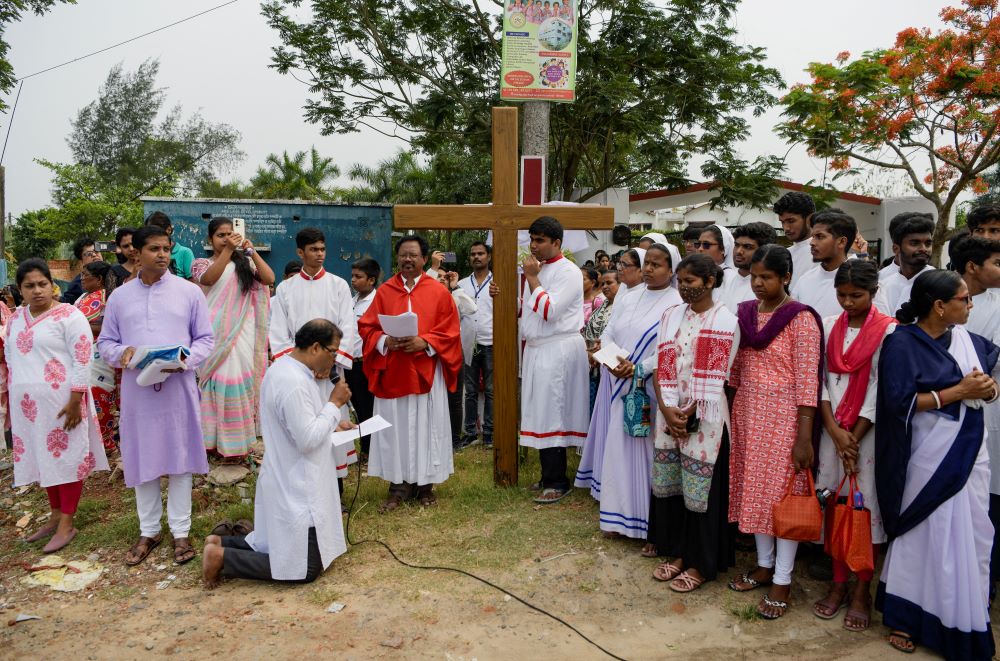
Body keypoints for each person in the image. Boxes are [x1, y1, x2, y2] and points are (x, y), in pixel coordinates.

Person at [875, 270, 998, 659]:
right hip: (924, 457)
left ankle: (960, 615)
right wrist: (958, 392)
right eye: (964, 299)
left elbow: (987, 386)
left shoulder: (969, 340)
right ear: (940, 306)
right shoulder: (901, 343)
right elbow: (898, 403)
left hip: (968, 453)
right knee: (923, 532)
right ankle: (905, 615)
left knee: (970, 533)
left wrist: (986, 390)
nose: (970, 304)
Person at [202, 320, 354, 588]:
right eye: (333, 351)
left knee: (285, 546)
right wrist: (334, 404)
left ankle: (223, 542)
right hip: (297, 483)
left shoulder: (287, 368)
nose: (335, 358)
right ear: (316, 347)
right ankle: (222, 557)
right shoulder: (293, 381)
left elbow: (302, 422)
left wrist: (334, 421)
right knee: (304, 568)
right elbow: (306, 439)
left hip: (291, 474)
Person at [97, 225, 214, 566]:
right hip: (139, 390)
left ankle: (181, 531)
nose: (162, 254)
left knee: (180, 459)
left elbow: (205, 339)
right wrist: (126, 354)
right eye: (154, 249)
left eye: (166, 248)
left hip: (178, 387)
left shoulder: (189, 293)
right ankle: (149, 530)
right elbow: (106, 342)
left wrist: (184, 360)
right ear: (136, 252)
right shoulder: (120, 296)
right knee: (142, 458)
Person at [727, 245, 822, 620]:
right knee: (755, 492)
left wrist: (803, 437)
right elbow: (734, 368)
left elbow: (807, 382)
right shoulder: (745, 315)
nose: (759, 284)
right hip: (748, 414)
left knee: (782, 499)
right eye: (754, 277)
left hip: (784, 420)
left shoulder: (800, 319)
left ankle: (783, 578)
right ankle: (764, 564)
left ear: (786, 277)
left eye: (767, 277)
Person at [811, 260, 895, 632]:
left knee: (865, 512)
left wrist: (853, 438)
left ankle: (862, 590)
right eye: (841, 295)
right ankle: (838, 582)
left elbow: (879, 387)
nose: (847, 302)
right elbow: (823, 381)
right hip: (834, 434)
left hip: (868, 435)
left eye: (856, 296)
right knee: (836, 506)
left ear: (873, 293)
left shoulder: (889, 332)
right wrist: (832, 429)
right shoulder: (829, 327)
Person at [648, 253, 739, 592]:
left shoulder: (725, 320)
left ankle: (701, 562)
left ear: (710, 282)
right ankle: (678, 553)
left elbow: (720, 380)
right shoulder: (671, 315)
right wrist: (666, 409)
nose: (684, 288)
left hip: (708, 420)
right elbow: (661, 365)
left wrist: (687, 415)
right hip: (669, 412)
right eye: (681, 282)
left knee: (702, 493)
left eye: (691, 282)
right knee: (676, 489)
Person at [6, 259, 110, 553]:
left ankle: (67, 522)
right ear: (20, 289)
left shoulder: (70, 315)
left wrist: (76, 399)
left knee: (65, 459)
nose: (37, 291)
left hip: (64, 402)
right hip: (28, 407)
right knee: (43, 459)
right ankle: (54, 515)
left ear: (52, 284)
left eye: (42, 284)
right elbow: (13, 359)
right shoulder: (15, 319)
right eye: (30, 286)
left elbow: (83, 358)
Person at [358, 234, 463, 510]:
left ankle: (425, 485)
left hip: (425, 369)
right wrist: (385, 341)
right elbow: (368, 328)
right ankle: (397, 485)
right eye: (403, 254)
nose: (407, 259)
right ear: (398, 258)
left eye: (413, 255)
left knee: (427, 426)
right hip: (394, 370)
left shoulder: (438, 291)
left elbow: (451, 330)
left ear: (424, 259)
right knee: (395, 427)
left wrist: (425, 342)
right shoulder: (385, 291)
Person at [586, 244, 681, 539]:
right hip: (619, 381)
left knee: (650, 454)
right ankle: (618, 518)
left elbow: (673, 346)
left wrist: (640, 367)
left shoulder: (677, 302)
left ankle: (648, 524)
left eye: (658, 265)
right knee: (618, 449)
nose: (651, 269)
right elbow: (610, 331)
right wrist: (615, 362)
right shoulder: (630, 296)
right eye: (648, 264)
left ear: (672, 269)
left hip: (651, 388)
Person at [269, 228, 360, 484]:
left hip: (330, 372)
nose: (320, 254)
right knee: (305, 428)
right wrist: (304, 366)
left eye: (322, 249)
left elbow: (348, 326)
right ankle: (305, 485)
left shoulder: (338, 285)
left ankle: (336, 490)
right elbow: (278, 333)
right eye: (313, 250)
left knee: (333, 426)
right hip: (300, 376)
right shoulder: (285, 289)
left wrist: (328, 363)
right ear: (300, 252)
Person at [513, 216, 590, 503]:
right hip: (538, 349)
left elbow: (550, 312)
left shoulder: (568, 271)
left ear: (557, 242)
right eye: (532, 239)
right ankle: (548, 475)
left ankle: (558, 481)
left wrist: (532, 279)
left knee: (554, 412)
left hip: (558, 350)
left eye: (540, 240)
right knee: (542, 412)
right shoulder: (539, 269)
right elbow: (531, 310)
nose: (534, 246)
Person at [192, 218, 275, 462]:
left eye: (231, 233)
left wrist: (251, 251)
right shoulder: (202, 263)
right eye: (221, 235)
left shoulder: (246, 263)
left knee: (234, 384)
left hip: (240, 333)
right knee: (213, 383)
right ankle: (210, 442)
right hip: (213, 334)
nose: (227, 238)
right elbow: (208, 280)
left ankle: (236, 445)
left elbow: (269, 278)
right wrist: (229, 250)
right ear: (210, 240)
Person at [949, 234, 1000, 603]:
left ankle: (985, 577)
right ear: (972, 268)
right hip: (944, 416)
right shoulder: (940, 301)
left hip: (990, 412)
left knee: (987, 501)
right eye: (997, 263)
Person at [792, 209, 890, 318]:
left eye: (820, 237)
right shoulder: (804, 280)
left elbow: (880, 326)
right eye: (813, 237)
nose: (812, 243)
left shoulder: (866, 281)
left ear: (842, 242)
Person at [75, 261, 120, 454]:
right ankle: (89, 443)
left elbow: (106, 327)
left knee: (100, 397)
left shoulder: (107, 298)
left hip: (99, 354)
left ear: (99, 279)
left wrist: (78, 325)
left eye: (86, 275)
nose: (82, 279)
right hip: (83, 353)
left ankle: (105, 443)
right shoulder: (83, 296)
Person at [457, 242, 494, 448]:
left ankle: (489, 433)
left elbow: (514, 307)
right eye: (473, 254)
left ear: (488, 256)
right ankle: (470, 432)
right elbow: (456, 313)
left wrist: (500, 295)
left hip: (491, 340)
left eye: (480, 253)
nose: (476, 257)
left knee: (490, 390)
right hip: (469, 342)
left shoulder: (498, 281)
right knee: (469, 390)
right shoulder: (462, 284)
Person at [437, 267, 477, 450]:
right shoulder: (426, 297)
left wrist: (456, 287)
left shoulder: (454, 296)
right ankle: (436, 438)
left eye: (444, 277)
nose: (441, 279)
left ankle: (454, 440)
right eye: (437, 276)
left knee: (454, 397)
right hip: (431, 351)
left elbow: (472, 308)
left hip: (453, 350)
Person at [348, 257, 381, 458]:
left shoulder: (376, 303)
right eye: (352, 276)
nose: (353, 280)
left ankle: (371, 451)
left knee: (369, 408)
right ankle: (365, 448)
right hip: (349, 364)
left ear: (371, 280)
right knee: (358, 409)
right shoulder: (351, 301)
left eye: (358, 277)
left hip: (366, 364)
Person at [881, 212, 936, 316]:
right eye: (915, 243)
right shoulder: (883, 284)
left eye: (928, 243)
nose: (924, 249)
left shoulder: (941, 283)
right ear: (896, 248)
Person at [581, 269, 618, 412]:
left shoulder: (622, 308)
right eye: (603, 283)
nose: (604, 287)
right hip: (594, 365)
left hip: (613, 365)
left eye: (609, 283)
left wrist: (601, 352)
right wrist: (590, 353)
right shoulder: (602, 307)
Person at [719, 222, 777, 315]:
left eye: (747, 247)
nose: (738, 251)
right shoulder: (725, 281)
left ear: (764, 250)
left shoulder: (768, 288)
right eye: (737, 245)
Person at [773, 191, 816, 287]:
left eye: (791, 221)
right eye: (782, 222)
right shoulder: (784, 254)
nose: (786, 228)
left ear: (810, 218)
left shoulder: (823, 254)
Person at [145, 211, 195, 280]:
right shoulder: (147, 253)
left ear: (169, 229)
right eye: (150, 232)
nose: (155, 235)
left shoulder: (185, 252)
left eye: (159, 231)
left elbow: (193, 282)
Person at [61, 237, 101, 304]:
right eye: (89, 254)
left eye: (96, 251)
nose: (94, 255)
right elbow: (68, 302)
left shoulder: (114, 273)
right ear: (81, 261)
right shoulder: (78, 283)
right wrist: (57, 299)